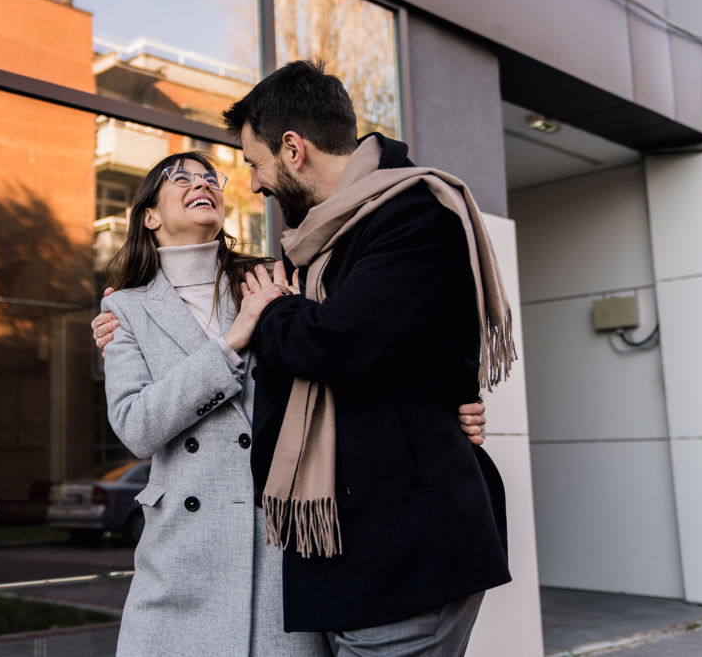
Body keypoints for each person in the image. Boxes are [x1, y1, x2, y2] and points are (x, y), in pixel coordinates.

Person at [222, 59, 512, 655]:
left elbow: (334, 344)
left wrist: (274, 309)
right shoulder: (321, 242)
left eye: (256, 163)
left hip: (404, 552)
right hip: (354, 556)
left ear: (294, 148)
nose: (254, 184)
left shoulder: (413, 214)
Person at [100, 151, 328, 656]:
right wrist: (230, 343)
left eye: (210, 177)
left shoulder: (270, 279)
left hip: (274, 552)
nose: (201, 183)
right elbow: (136, 426)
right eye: (180, 178)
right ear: (150, 216)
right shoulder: (124, 308)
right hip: (179, 558)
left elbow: (340, 359)